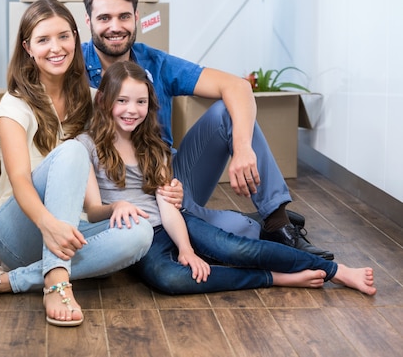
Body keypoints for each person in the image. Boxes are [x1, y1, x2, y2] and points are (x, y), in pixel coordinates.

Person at [81, 0, 333, 260]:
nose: (115, 27)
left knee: (227, 112)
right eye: (104, 18)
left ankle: (278, 223)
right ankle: (253, 223)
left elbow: (238, 86)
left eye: (124, 16)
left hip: (167, 181)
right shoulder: (72, 66)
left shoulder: (156, 63)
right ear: (88, 20)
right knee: (237, 233)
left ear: (136, 18)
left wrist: (242, 148)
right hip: (113, 189)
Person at [78, 60, 376, 296]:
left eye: (140, 102)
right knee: (169, 278)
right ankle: (274, 278)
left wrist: (186, 249)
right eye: (123, 101)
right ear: (103, 101)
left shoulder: (151, 145)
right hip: (136, 239)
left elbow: (167, 206)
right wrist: (115, 208)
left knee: (236, 247)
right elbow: (93, 210)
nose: (132, 110)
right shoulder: (86, 146)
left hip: (172, 222)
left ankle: (336, 271)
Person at [0, 0, 154, 327]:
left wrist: (114, 209)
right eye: (43, 40)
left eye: (63, 36)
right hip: (19, 229)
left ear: (76, 37)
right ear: (28, 47)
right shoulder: (14, 107)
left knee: (140, 232)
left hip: (70, 230)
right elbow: (20, 181)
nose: (55, 48)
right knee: (73, 151)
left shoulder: (93, 99)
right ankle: (56, 281)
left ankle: (8, 282)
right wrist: (49, 224)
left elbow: (93, 199)